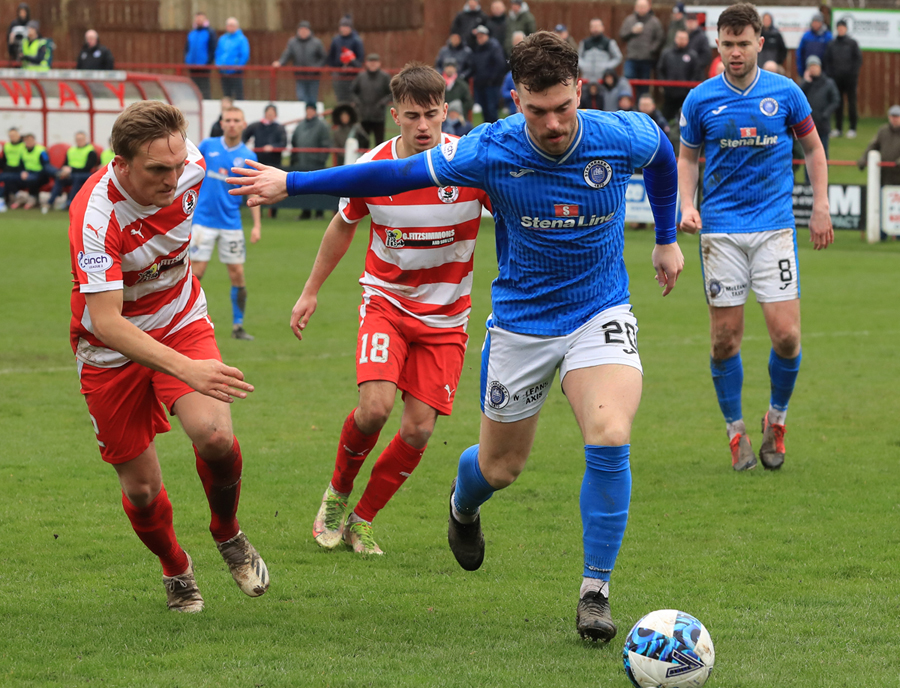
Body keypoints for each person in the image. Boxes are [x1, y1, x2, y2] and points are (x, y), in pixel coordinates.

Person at [228, 31, 684, 642]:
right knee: (499, 468)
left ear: (581, 88)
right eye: (536, 110)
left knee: (610, 434)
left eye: (563, 108)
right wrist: (294, 184)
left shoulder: (621, 132)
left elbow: (661, 156)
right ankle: (462, 504)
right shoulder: (488, 149)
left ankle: (595, 591)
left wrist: (665, 236)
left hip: (599, 311)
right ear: (514, 97)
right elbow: (394, 176)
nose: (551, 124)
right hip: (521, 323)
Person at [68, 100, 268, 613]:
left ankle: (227, 533)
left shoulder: (191, 166)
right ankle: (176, 567)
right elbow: (108, 321)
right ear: (121, 165)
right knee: (141, 489)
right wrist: (186, 369)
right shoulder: (94, 214)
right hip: (110, 351)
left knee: (216, 436)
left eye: (178, 165)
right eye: (158, 169)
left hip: (180, 319)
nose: (173, 178)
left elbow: (190, 167)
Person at [287, 63, 492, 555]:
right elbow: (342, 224)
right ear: (394, 114)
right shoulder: (372, 168)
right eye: (412, 116)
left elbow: (509, 216)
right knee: (374, 408)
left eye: (431, 115)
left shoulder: (469, 164)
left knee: (419, 429)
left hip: (447, 319)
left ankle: (363, 519)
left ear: (446, 111)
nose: (423, 126)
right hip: (387, 304)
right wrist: (310, 289)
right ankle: (337, 496)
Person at [678, 3, 834, 473]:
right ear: (718, 44)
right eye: (727, 44)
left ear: (760, 43)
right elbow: (687, 157)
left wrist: (821, 205)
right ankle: (736, 432)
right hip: (721, 232)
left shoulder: (785, 92)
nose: (735, 52)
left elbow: (813, 148)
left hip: (775, 229)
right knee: (725, 340)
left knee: (786, 336)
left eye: (743, 43)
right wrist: (688, 204)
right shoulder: (700, 99)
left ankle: (777, 421)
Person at [192, 106, 262, 341]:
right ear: (221, 123)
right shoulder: (207, 146)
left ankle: (238, 326)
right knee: (196, 272)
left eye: (236, 120)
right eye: (228, 120)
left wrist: (257, 225)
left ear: (243, 124)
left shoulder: (249, 157)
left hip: (231, 223)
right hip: (203, 221)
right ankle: (184, 322)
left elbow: (255, 193)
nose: (232, 124)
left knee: (237, 274)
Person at [242, 104, 286, 218]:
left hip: (274, 163)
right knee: (257, 188)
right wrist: (243, 148)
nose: (270, 115)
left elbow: (283, 143)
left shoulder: (279, 128)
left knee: (276, 187)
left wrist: (273, 147)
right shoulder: (257, 126)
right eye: (268, 113)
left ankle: (273, 213)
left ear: (275, 115)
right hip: (259, 162)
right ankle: (258, 212)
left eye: (272, 113)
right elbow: (243, 136)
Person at [290, 105, 331, 219]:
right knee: (303, 189)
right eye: (307, 110)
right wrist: (295, 160)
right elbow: (294, 142)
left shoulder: (322, 126)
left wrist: (320, 160)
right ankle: (305, 212)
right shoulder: (300, 126)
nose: (309, 112)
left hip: (317, 164)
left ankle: (319, 213)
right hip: (302, 162)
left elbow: (326, 144)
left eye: (311, 110)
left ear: (315, 111)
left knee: (319, 189)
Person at [273, 21, 326, 106]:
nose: (303, 32)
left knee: (312, 98)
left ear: (309, 31)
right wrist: (280, 62)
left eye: (305, 30)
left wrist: (317, 68)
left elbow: (323, 57)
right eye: (301, 30)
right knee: (301, 97)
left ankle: (312, 116)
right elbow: (287, 54)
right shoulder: (293, 42)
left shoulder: (316, 42)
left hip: (313, 76)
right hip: (299, 75)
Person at [824, 20, 862, 140]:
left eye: (842, 28)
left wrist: (853, 73)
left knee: (852, 103)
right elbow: (827, 61)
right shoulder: (832, 44)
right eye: (839, 28)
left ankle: (852, 128)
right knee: (837, 103)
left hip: (850, 79)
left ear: (845, 29)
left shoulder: (852, 43)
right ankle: (838, 129)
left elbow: (858, 60)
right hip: (836, 79)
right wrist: (831, 75)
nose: (841, 30)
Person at [619, 0, 664, 97]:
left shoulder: (654, 22)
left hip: (646, 59)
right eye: (639, 6)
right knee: (628, 84)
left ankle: (642, 107)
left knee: (644, 87)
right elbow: (622, 35)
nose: (641, 9)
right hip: (631, 58)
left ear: (649, 8)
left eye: (643, 6)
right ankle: (628, 107)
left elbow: (660, 38)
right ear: (635, 7)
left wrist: (651, 49)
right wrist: (632, 31)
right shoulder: (629, 20)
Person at [47, 130, 98, 211]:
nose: (79, 141)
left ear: (86, 139)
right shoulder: (71, 150)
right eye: (77, 139)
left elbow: (88, 167)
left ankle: (70, 202)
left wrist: (71, 170)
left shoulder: (91, 151)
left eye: (81, 139)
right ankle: (49, 202)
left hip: (85, 174)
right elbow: (65, 164)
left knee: (76, 178)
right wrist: (64, 171)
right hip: (71, 174)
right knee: (60, 177)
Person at [800, 56, 839, 158]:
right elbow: (798, 98)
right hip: (808, 123)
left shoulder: (828, 83)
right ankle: (808, 174)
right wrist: (806, 82)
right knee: (808, 153)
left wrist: (825, 114)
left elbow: (835, 100)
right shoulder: (806, 84)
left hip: (823, 124)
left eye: (815, 66)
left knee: (823, 151)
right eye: (810, 67)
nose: (813, 69)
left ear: (820, 67)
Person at [350, 53, 393, 147]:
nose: (373, 64)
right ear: (366, 63)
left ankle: (379, 162)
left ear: (379, 63)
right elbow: (352, 91)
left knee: (379, 143)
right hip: (363, 116)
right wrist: (358, 102)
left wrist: (383, 103)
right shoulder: (361, 76)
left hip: (379, 117)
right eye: (370, 62)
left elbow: (391, 93)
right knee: (363, 142)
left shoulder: (385, 77)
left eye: (375, 62)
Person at [656, 29, 698, 122]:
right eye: (679, 38)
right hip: (669, 94)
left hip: (686, 95)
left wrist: (689, 88)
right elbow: (660, 70)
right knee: (666, 119)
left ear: (687, 40)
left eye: (684, 38)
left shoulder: (692, 55)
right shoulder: (667, 53)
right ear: (675, 39)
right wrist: (664, 86)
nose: (681, 40)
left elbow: (696, 73)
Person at [470, 24, 506, 124]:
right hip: (480, 85)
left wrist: (492, 79)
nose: (479, 38)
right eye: (478, 36)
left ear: (487, 35)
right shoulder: (477, 49)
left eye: (481, 36)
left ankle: (495, 132)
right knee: (484, 110)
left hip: (491, 85)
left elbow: (500, 64)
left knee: (492, 110)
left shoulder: (494, 47)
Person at [857, 106, 900, 187]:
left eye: (897, 117)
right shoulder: (883, 130)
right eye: (892, 116)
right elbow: (873, 146)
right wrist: (864, 158)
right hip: (885, 174)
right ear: (889, 117)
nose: (894, 119)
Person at [8, 131, 53, 208]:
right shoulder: (23, 151)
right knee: (9, 178)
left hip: (40, 174)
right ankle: (20, 197)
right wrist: (22, 172)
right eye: (26, 141)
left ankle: (32, 199)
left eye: (30, 141)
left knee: (32, 179)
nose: (28, 143)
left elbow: (46, 166)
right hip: (27, 173)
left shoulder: (41, 150)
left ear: (34, 141)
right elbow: (20, 165)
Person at [327, 16, 364, 104]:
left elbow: (360, 58)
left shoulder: (357, 40)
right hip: (338, 74)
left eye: (346, 27)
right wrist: (334, 70)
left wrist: (353, 65)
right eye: (342, 27)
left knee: (353, 98)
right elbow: (330, 57)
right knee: (340, 98)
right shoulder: (336, 40)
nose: (344, 29)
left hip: (352, 75)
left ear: (350, 28)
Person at [578, 18, 623, 85]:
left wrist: (607, 66)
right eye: (593, 26)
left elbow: (618, 57)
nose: (595, 28)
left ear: (602, 27)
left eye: (597, 26)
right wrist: (584, 66)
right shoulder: (584, 43)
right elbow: (577, 57)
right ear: (590, 28)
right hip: (587, 79)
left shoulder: (609, 42)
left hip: (602, 80)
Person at [184, 12, 217, 99]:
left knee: (204, 86)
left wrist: (207, 62)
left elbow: (212, 49)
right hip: (192, 65)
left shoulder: (210, 32)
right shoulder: (192, 33)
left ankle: (206, 101)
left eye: (201, 19)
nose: (198, 21)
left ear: (205, 20)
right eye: (197, 19)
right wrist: (187, 60)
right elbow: (187, 48)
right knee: (193, 86)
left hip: (204, 66)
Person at [215, 17, 249, 100]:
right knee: (226, 95)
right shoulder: (222, 39)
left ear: (237, 27)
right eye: (229, 25)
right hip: (223, 71)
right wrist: (218, 64)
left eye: (232, 25)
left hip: (236, 72)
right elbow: (218, 53)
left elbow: (244, 55)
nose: (230, 27)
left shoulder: (242, 39)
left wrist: (237, 67)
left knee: (238, 94)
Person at [797, 12, 831, 77]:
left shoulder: (827, 36)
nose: (815, 24)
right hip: (807, 71)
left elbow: (830, 55)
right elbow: (800, 53)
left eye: (817, 22)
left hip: (823, 72)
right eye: (814, 22)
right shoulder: (806, 36)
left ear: (821, 23)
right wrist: (801, 70)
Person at [0, 127, 25, 207]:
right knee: (6, 179)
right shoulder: (6, 146)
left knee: (7, 179)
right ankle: (17, 195)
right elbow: (3, 160)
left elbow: (26, 160)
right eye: (10, 135)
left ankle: (2, 200)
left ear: (18, 135)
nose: (12, 137)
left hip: (19, 171)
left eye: (14, 135)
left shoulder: (24, 146)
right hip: (8, 170)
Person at [684, 13, 711, 79]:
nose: (690, 24)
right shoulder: (683, 35)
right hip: (684, 72)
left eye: (692, 22)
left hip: (696, 74)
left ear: (696, 22)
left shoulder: (702, 37)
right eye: (688, 22)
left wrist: (694, 65)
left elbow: (706, 55)